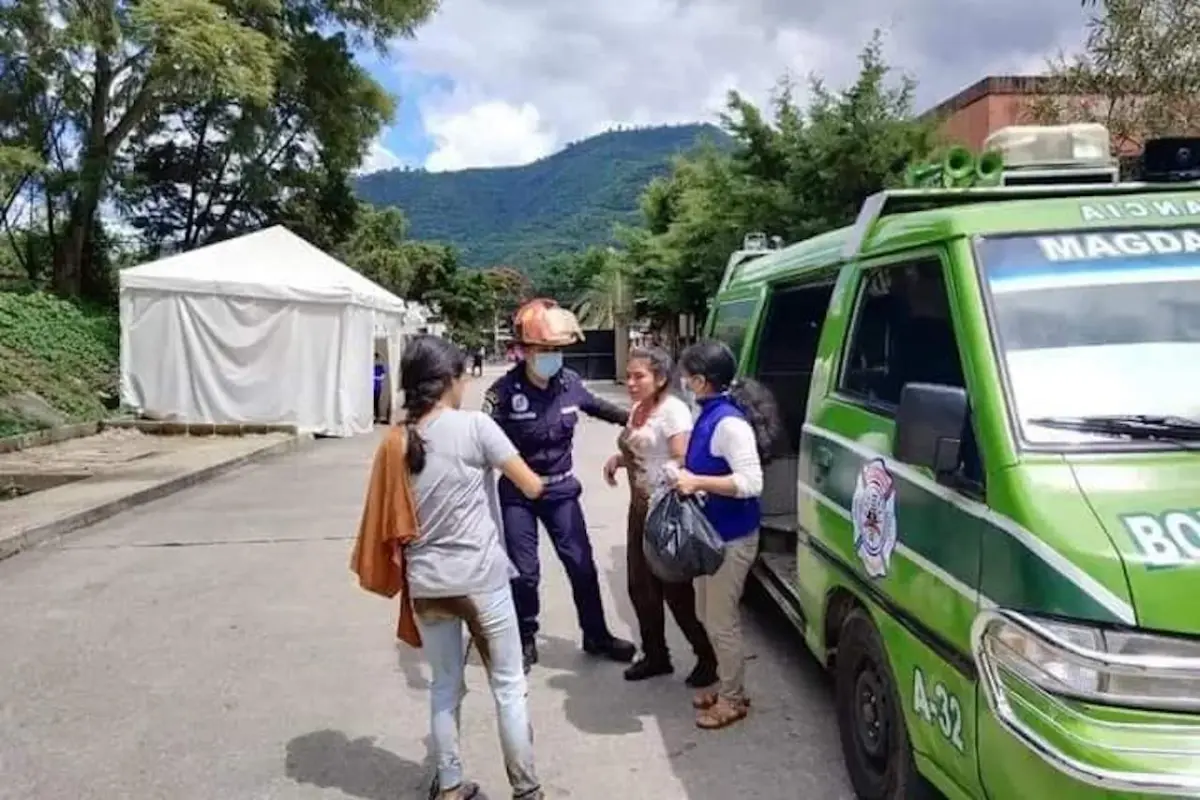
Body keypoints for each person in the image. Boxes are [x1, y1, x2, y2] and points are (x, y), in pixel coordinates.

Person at [362, 335, 546, 800]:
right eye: (462, 377)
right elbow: (530, 486)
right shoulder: (475, 427)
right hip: (481, 577)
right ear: (447, 381)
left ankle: (449, 787)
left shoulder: (398, 440)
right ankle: (526, 789)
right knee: (508, 686)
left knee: (445, 687)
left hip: (427, 583)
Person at [484, 298, 636, 672]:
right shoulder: (502, 393)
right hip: (519, 493)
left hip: (561, 491)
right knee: (524, 571)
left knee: (581, 565)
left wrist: (638, 418)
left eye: (557, 350)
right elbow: (483, 442)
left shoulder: (569, 383)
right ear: (525, 351)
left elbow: (599, 407)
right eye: (545, 349)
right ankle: (524, 638)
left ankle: (596, 635)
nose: (552, 356)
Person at [670, 339, 781, 730]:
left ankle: (733, 698)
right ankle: (727, 682)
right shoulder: (707, 413)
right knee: (706, 613)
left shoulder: (729, 423)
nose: (681, 381)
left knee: (721, 621)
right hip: (711, 535)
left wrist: (696, 479)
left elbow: (752, 482)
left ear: (701, 380)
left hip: (731, 538)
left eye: (686, 376)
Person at [604, 346, 717, 685]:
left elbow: (683, 459)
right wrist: (619, 459)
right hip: (639, 509)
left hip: (665, 513)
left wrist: (665, 476)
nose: (631, 383)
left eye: (639, 376)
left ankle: (707, 658)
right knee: (640, 588)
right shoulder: (639, 409)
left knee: (676, 592)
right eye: (629, 376)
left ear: (661, 378)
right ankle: (656, 656)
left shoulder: (673, 412)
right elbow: (644, 449)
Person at [373, 352, 387, 424]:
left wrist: (374, 377)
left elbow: (382, 376)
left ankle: (377, 417)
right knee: (373, 403)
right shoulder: (370, 367)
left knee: (376, 402)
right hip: (373, 387)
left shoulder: (379, 367)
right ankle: (374, 417)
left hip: (377, 387)